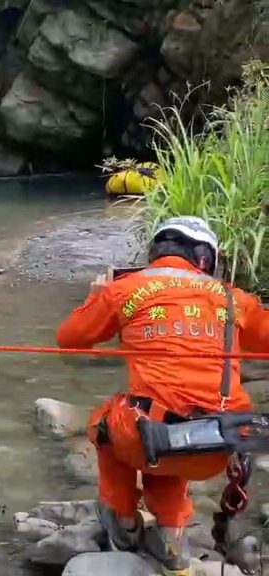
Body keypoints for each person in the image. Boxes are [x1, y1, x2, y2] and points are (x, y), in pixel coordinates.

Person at [56, 216, 269, 575]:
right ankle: (171, 533)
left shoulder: (125, 289)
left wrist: (95, 296)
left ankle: (123, 524)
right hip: (218, 445)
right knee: (175, 419)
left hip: (150, 440)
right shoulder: (234, 300)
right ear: (205, 259)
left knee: (109, 423)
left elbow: (70, 339)